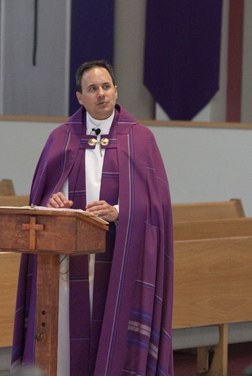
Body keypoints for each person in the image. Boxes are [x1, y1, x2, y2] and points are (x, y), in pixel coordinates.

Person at [12, 60, 174, 375]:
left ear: (115, 90)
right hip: (66, 264)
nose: (101, 94)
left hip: (118, 259)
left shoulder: (140, 140)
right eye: (92, 89)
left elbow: (158, 207)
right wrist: (51, 202)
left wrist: (119, 212)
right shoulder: (61, 138)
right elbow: (40, 197)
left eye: (106, 87)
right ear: (79, 97)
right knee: (65, 343)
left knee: (113, 331)